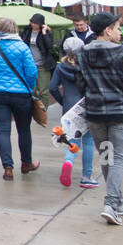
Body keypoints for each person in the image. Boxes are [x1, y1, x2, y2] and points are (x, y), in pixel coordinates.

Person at [77, 12, 123, 225]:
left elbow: (81, 84)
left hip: (95, 113)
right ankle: (111, 202)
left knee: (107, 156)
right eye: (117, 28)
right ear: (107, 31)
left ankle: (118, 202)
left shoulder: (83, 53)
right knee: (118, 157)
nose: (120, 32)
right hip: (120, 113)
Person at [0, 16, 41, 180]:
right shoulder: (23, 47)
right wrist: (30, 87)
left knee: (3, 130)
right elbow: (32, 72)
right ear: (14, 29)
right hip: (21, 94)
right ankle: (26, 163)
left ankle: (8, 168)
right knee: (24, 129)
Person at [49, 36, 95, 188]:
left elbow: (52, 88)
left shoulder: (60, 67)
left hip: (69, 108)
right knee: (88, 142)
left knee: (73, 140)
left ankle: (68, 162)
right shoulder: (88, 66)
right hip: (87, 106)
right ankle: (87, 176)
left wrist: (63, 101)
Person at [21, 13, 59, 110]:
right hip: (30, 65)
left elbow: (49, 46)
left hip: (43, 65)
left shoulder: (45, 33)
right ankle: (34, 110)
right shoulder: (27, 31)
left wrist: (44, 32)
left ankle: (43, 110)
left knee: (43, 91)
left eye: (36, 23)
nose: (33, 24)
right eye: (32, 22)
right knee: (31, 90)